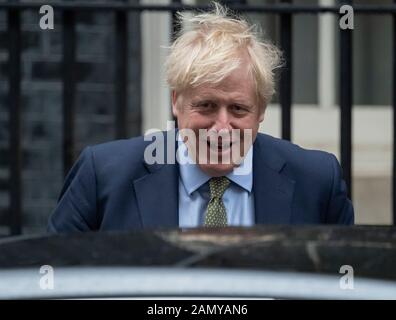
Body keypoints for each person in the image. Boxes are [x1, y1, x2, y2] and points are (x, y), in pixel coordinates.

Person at [48, 3, 354, 233]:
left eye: (238, 109)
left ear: (260, 111)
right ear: (175, 102)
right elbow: (54, 280)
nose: (221, 128)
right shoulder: (103, 176)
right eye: (206, 106)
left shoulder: (316, 182)